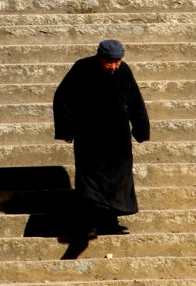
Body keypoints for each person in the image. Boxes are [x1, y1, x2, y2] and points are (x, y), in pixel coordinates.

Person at [53, 39, 150, 239]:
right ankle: (89, 223)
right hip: (90, 136)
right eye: (109, 62)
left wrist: (141, 129)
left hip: (117, 137)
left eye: (117, 62)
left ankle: (111, 221)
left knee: (118, 180)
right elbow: (63, 98)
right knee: (90, 183)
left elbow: (135, 101)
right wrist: (66, 129)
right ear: (100, 57)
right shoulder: (82, 68)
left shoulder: (124, 72)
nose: (113, 66)